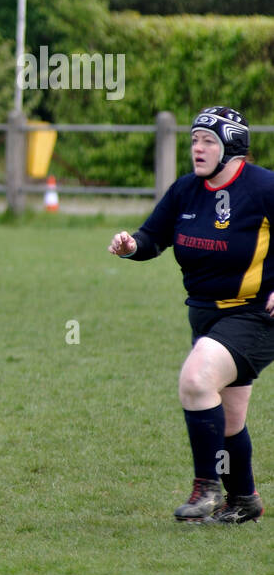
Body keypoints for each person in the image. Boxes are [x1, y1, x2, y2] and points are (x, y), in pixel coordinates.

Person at [109, 106, 266, 524]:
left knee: (196, 381)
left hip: (255, 316)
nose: (197, 148)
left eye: (208, 141)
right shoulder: (186, 190)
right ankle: (244, 500)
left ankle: (207, 490)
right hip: (204, 317)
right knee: (228, 420)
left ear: (232, 148)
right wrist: (131, 245)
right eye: (194, 139)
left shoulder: (264, 187)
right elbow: (152, 237)